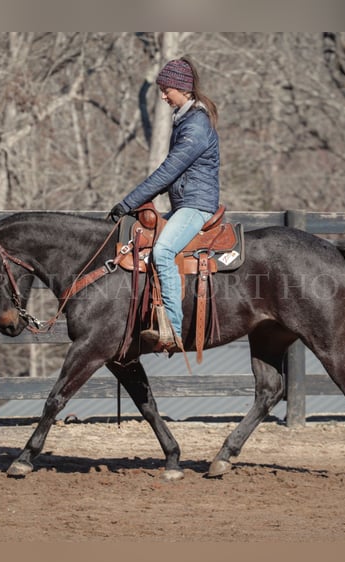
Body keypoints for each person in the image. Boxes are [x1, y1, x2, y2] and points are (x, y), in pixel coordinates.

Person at [109, 57, 220, 353]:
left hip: (197, 206)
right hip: (186, 203)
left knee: (163, 250)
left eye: (166, 89)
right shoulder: (184, 119)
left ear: (182, 88)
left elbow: (169, 170)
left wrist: (128, 202)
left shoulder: (196, 125)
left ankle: (171, 326)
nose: (162, 95)